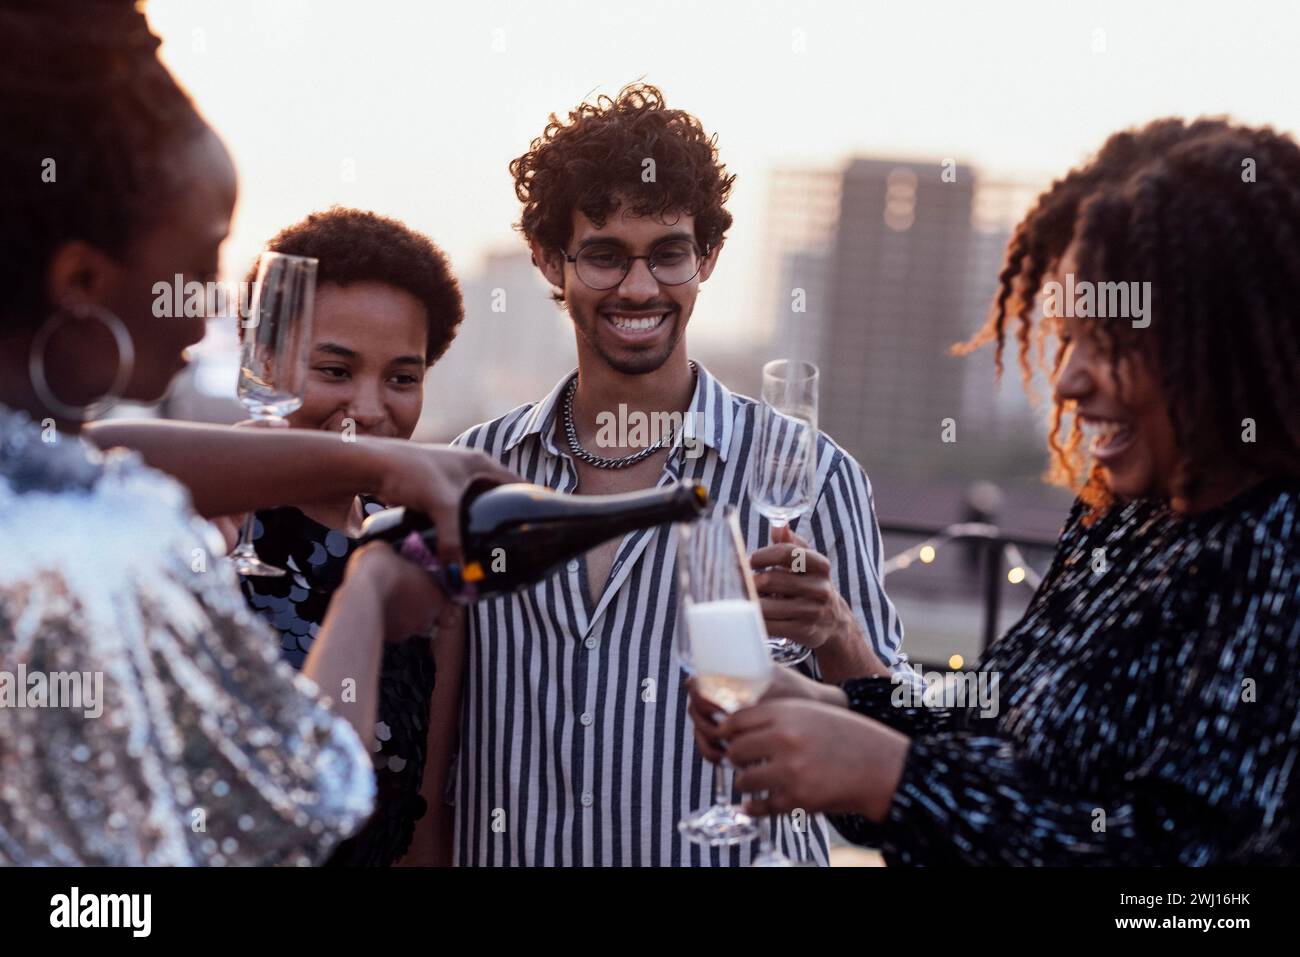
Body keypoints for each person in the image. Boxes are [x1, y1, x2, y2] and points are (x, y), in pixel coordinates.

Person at [692, 117, 1300, 865]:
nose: (1070, 380)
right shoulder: (1121, 516)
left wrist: (888, 776)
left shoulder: (1278, 545)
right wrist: (835, 706)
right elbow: (999, 725)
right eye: (1067, 338)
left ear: (1224, 342)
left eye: (1108, 346)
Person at [0, 0, 513, 865]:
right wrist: (371, 592)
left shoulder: (68, 496)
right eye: (199, 267)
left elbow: (109, 460)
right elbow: (301, 808)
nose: (205, 313)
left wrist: (381, 467)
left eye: (403, 376)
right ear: (83, 277)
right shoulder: (99, 542)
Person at [450, 83, 907, 866]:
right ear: (549, 260)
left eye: (667, 253)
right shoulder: (474, 477)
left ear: (707, 259)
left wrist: (837, 631)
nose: (638, 287)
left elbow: (892, 783)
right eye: (604, 254)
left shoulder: (813, 475)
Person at [230, 208, 468, 866]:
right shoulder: (205, 541)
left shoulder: (425, 569)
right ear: (265, 358)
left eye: (401, 378)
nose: (368, 408)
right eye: (335, 370)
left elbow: (420, 834)